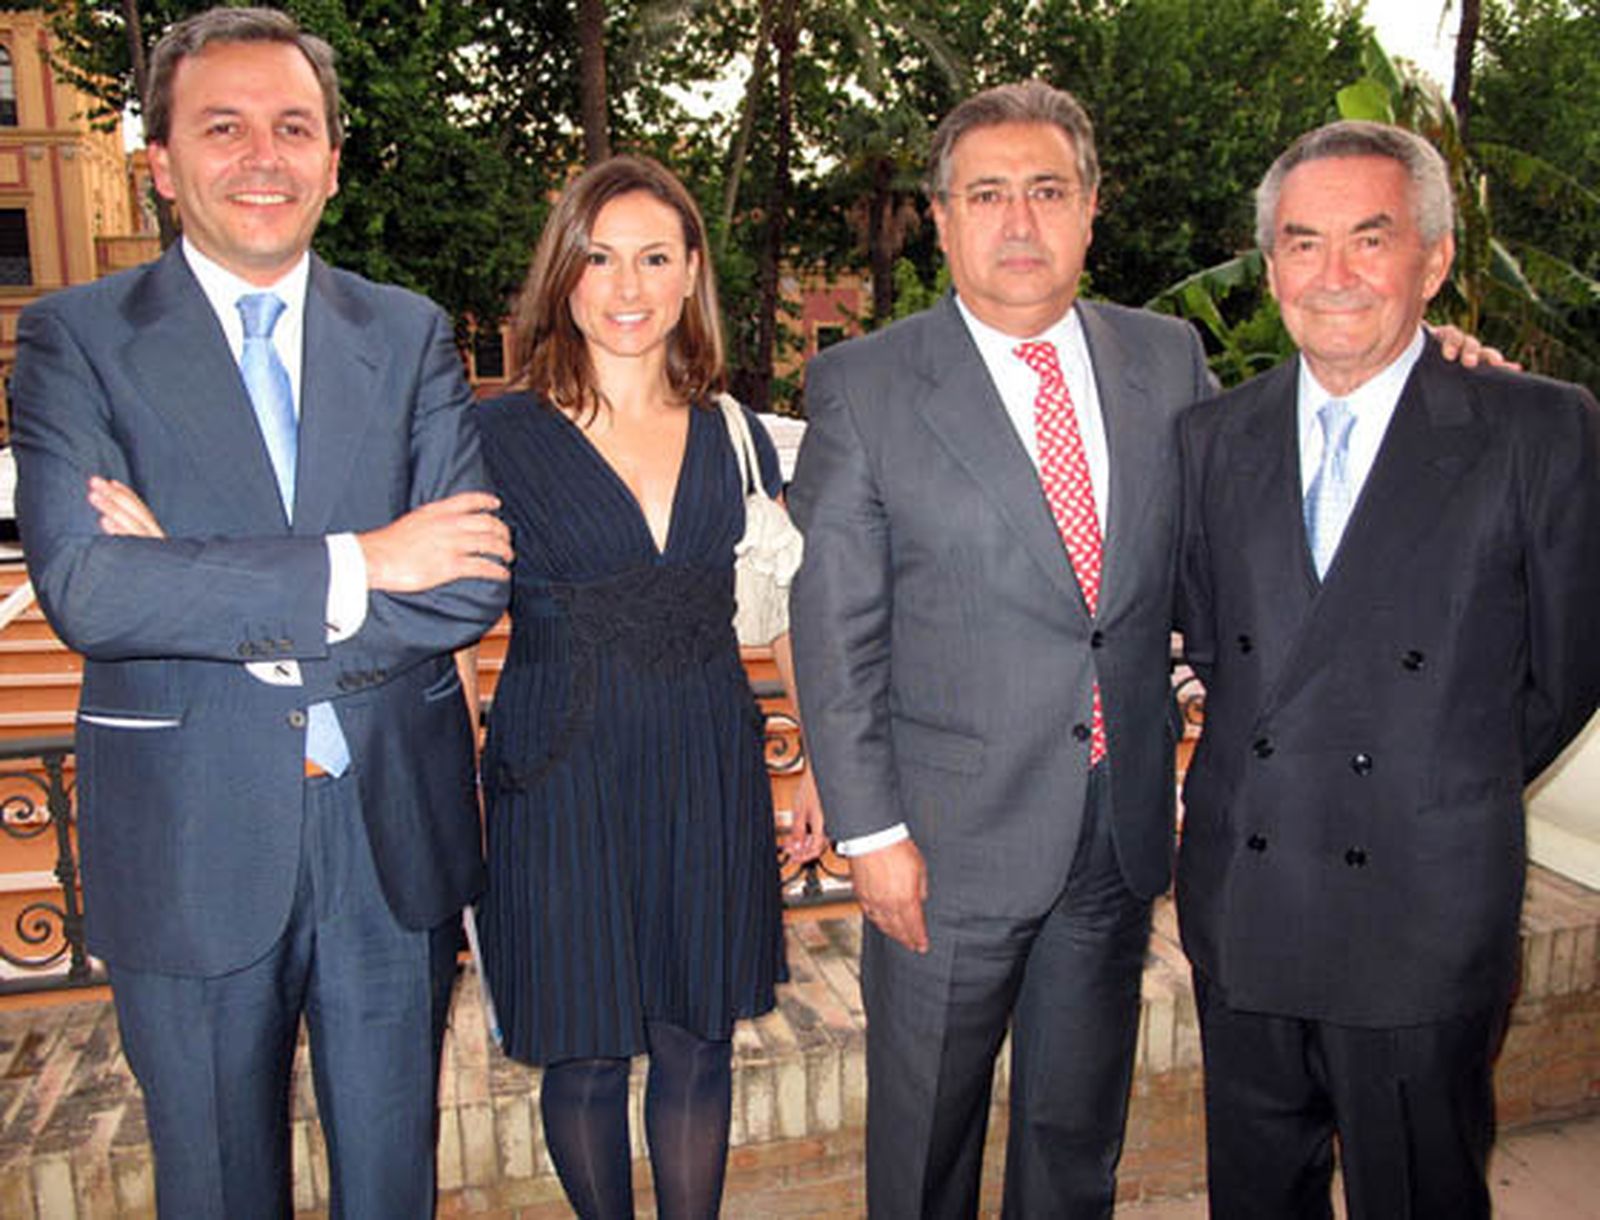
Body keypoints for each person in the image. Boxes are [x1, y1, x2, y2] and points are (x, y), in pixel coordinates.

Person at [9, 8, 512, 1218]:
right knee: (220, 1187)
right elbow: (86, 585)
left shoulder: (406, 332)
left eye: (294, 127)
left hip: (387, 833)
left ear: (333, 159)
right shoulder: (74, 338)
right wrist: (362, 558)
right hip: (189, 832)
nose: (263, 156)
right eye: (222, 126)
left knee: (392, 1184)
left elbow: (468, 577)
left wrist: (190, 571)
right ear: (163, 161)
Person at [788, 80, 1213, 1218]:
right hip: (942, 844)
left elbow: (1241, 527)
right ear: (941, 218)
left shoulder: (1165, 360)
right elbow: (834, 626)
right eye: (987, 194)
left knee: (1077, 1131)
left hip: (1110, 831)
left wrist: (1428, 379)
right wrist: (871, 833)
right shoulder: (865, 385)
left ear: (1090, 209)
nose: (1018, 221)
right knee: (927, 1135)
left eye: (1046, 191)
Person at [1175, 119, 1600, 1219]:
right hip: (1249, 904)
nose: (1335, 274)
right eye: (1303, 243)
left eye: (1370, 239)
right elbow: (1212, 640)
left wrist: (1433, 777)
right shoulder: (1212, 438)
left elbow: (1565, 669)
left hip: (1420, 909)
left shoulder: (1537, 430)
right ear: (1270, 270)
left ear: (1435, 258)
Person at [472, 153, 824, 1220]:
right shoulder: (491, 436)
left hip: (706, 754)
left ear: (688, 275)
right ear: (563, 276)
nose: (626, 288)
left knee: (696, 1037)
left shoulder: (744, 436)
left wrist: (813, 755)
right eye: (600, 258)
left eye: (653, 258)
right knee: (581, 1049)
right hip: (556, 768)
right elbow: (446, 627)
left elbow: (787, 606)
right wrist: (454, 784)